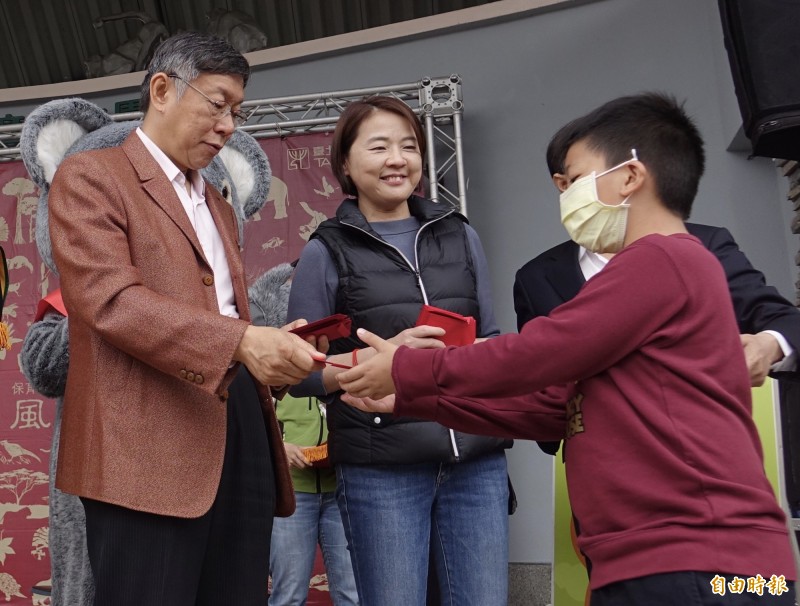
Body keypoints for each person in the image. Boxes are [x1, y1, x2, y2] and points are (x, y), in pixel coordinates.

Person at [336, 92, 797, 605]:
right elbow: (554, 407)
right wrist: (411, 399)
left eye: (576, 180)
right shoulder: (654, 268)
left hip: (703, 563)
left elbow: (540, 353)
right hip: (682, 562)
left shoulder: (662, 260)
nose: (568, 196)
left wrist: (406, 371)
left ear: (630, 175)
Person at [47, 32, 325, 606]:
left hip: (239, 421)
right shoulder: (91, 177)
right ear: (162, 90)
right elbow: (111, 301)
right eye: (217, 103)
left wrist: (281, 354)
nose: (228, 126)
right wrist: (242, 340)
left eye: (237, 112)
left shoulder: (219, 203)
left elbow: (221, 309)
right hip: (144, 441)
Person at [287, 95, 511, 606]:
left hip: (476, 463)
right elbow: (300, 374)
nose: (398, 159)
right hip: (381, 472)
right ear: (345, 163)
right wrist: (381, 363)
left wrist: (458, 360)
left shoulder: (460, 235)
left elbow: (494, 340)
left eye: (409, 146)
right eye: (380, 146)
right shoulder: (325, 251)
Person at [248, 262, 358, 606]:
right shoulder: (264, 368)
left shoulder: (338, 355)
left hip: (339, 487)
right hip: (293, 496)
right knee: (288, 595)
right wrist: (283, 447)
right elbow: (250, 427)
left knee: (353, 595)